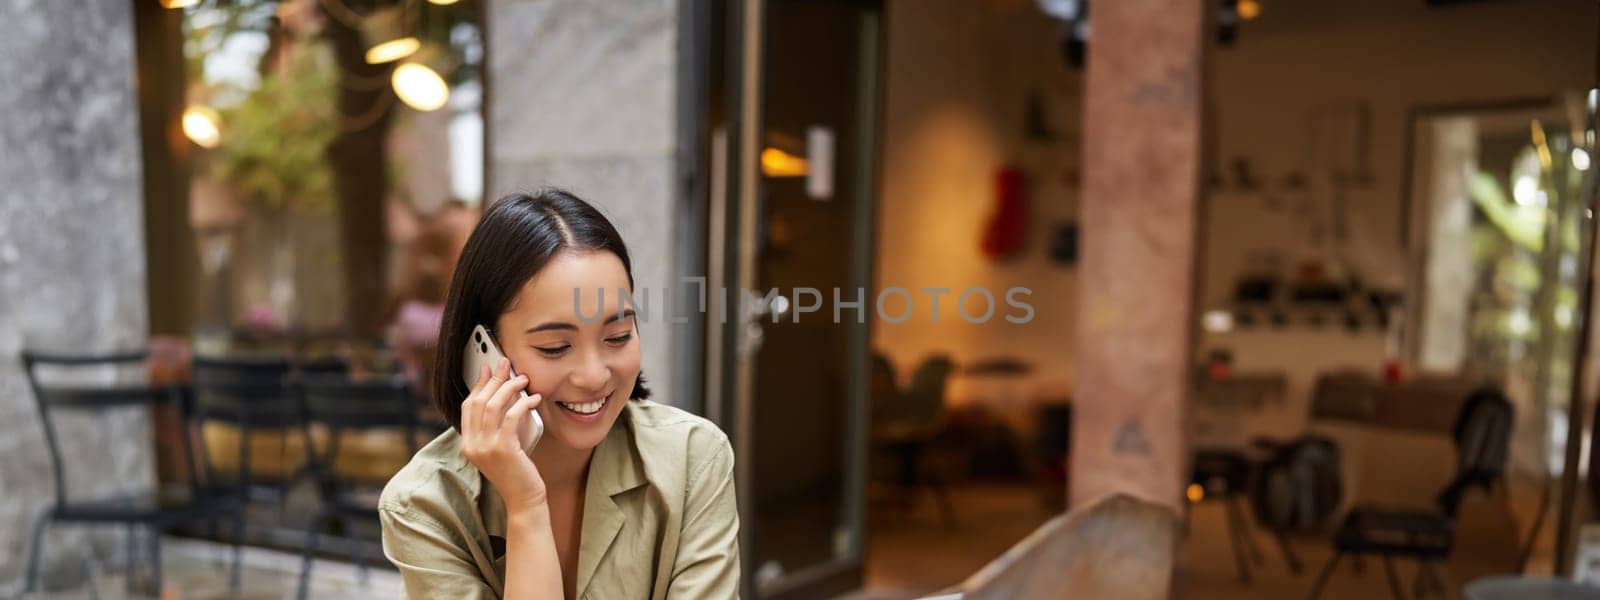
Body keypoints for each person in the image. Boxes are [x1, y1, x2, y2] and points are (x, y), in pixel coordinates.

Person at [378, 189, 741, 599]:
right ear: (481, 350)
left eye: (617, 336)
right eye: (555, 347)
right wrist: (526, 506)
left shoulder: (693, 457)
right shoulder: (424, 506)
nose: (592, 375)